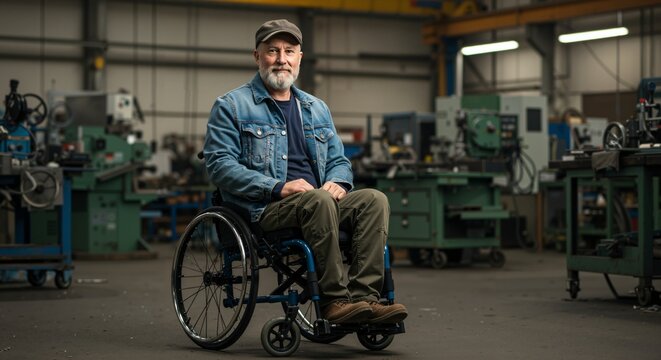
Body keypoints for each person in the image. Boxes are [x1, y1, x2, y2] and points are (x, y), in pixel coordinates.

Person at [204, 19, 407, 324]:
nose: (281, 59)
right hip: (265, 209)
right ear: (257, 56)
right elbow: (219, 165)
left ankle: (365, 299)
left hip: (317, 203)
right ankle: (334, 302)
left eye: (289, 51)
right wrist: (277, 187)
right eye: (272, 51)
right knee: (319, 201)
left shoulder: (316, 108)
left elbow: (339, 160)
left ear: (300, 57)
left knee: (374, 200)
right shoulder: (232, 106)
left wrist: (338, 181)